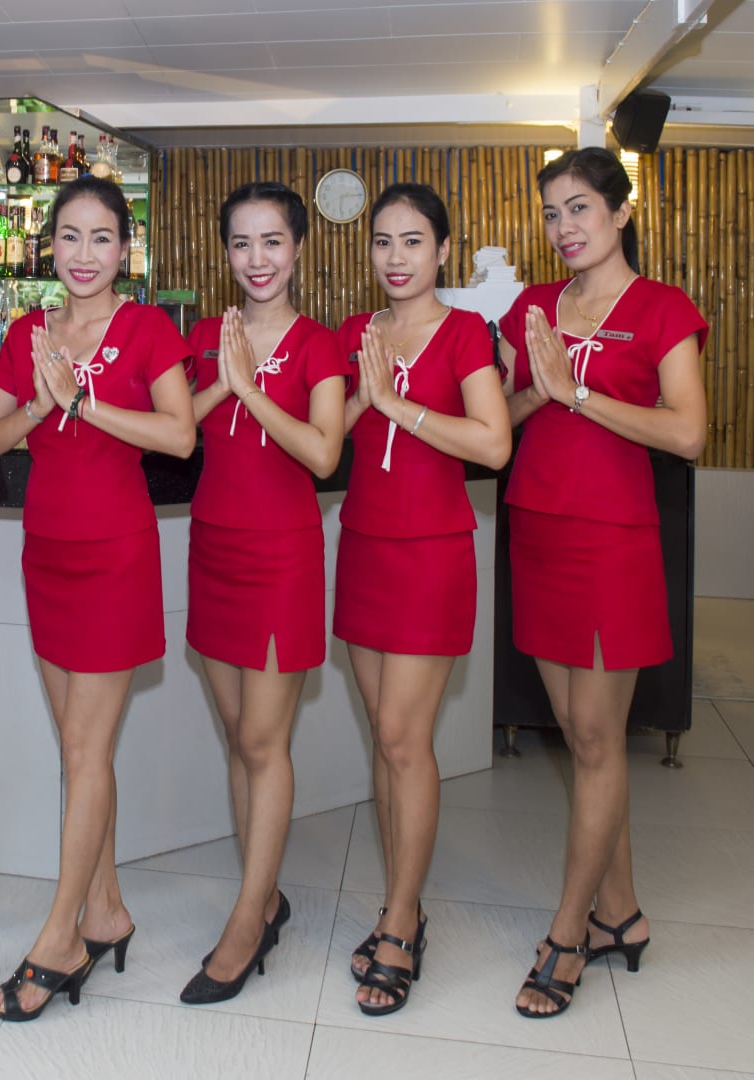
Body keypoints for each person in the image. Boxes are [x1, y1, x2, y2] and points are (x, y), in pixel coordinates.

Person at [0, 176, 196, 1022]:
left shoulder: (147, 329)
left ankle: (60, 937)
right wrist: (38, 404)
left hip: (114, 556)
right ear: (50, 245)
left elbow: (179, 435)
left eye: (103, 238)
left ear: (124, 250)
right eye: (70, 236)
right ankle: (105, 910)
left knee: (83, 751)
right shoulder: (28, 333)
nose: (85, 254)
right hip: (49, 553)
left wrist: (83, 403)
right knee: (79, 751)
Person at [499, 147, 706, 1019]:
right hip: (539, 531)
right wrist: (541, 391)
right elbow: (501, 418)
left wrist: (577, 392)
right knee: (581, 740)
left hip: (613, 540)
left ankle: (569, 934)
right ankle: (621, 912)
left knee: (595, 741)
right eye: (552, 213)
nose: (564, 227)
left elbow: (688, 433)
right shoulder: (532, 309)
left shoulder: (663, 309)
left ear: (622, 212)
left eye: (580, 207)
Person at [334, 183, 511, 1015]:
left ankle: (403, 922)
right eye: (383, 241)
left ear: (442, 251)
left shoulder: (465, 332)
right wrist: (359, 395)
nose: (396, 257)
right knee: (385, 739)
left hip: (431, 553)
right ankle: (395, 902)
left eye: (413, 241)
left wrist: (397, 405)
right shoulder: (355, 333)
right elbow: (329, 437)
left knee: (407, 740)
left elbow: (493, 443)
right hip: (364, 547)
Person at [179, 182, 348, 1006]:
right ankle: (266, 893)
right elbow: (174, 431)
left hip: (281, 556)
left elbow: (322, 453)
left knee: (262, 741)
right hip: (213, 550)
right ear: (227, 253)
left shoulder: (320, 346)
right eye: (242, 243)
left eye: (272, 241)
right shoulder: (204, 338)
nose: (257, 259)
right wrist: (223, 378)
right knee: (236, 737)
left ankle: (248, 922)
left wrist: (249, 389)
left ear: (298, 248)